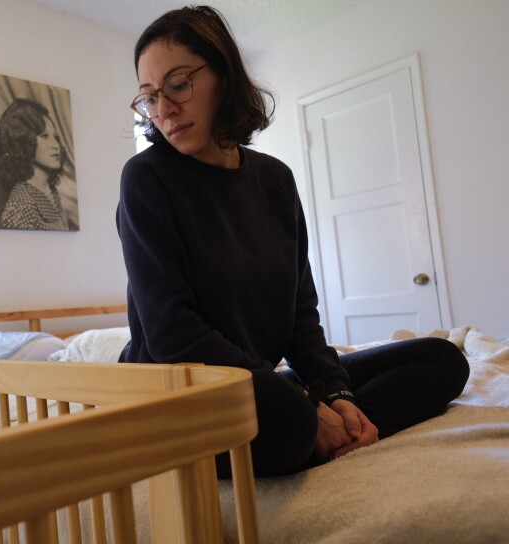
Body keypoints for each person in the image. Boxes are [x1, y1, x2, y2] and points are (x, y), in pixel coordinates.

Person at [116, 5, 469, 478]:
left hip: (258, 385)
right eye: (149, 97)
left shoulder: (274, 180)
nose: (163, 110)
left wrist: (335, 395)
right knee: (285, 416)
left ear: (223, 74)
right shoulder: (147, 178)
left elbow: (300, 317)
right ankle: (309, 426)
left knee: (442, 359)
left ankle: (338, 429)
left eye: (178, 85)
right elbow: (171, 334)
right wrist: (301, 401)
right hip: (180, 395)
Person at [0, 98, 72, 231]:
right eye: (44, 136)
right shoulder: (20, 204)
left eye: (55, 137)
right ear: (24, 141)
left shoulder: (52, 192)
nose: (55, 146)